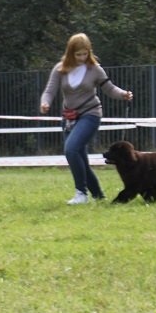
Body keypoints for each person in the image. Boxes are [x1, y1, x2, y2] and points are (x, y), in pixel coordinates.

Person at [40, 33, 133, 205]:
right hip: (69, 118)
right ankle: (98, 195)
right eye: (78, 54)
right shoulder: (60, 69)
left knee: (71, 149)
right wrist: (45, 103)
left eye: (85, 53)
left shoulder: (95, 69)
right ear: (70, 53)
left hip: (90, 114)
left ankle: (81, 194)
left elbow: (110, 89)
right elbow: (49, 90)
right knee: (80, 157)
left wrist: (123, 94)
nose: (82, 57)